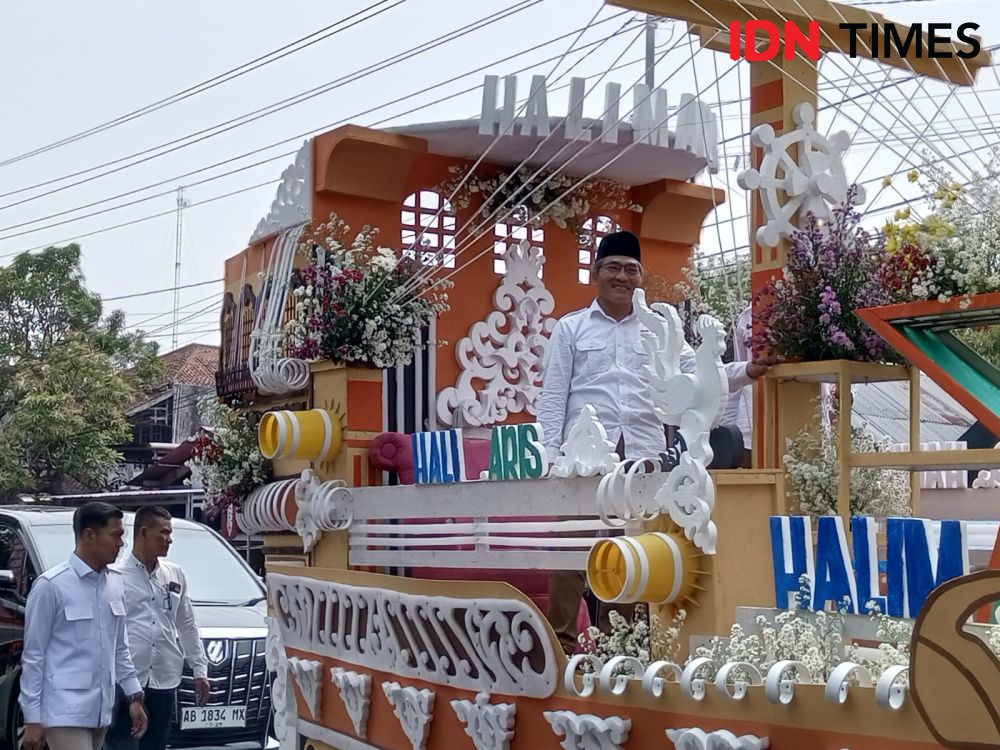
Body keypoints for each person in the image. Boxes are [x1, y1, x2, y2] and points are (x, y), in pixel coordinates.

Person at [537, 230, 770, 654]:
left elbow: (698, 374)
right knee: (572, 551)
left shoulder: (658, 329)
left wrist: (746, 372)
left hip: (642, 456)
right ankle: (561, 648)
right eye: (613, 268)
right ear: (596, 274)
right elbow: (553, 397)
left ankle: (619, 651)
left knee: (630, 550)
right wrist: (551, 458)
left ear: (641, 276)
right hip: (582, 455)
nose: (622, 277)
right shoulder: (571, 329)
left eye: (631, 269)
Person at [21, 502, 147, 750]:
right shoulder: (51, 586)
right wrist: (32, 717)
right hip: (62, 709)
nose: (121, 544)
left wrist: (134, 695)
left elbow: (119, 647)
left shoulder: (114, 583)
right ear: (89, 535)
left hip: (100, 708)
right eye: (116, 535)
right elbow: (34, 656)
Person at [105, 505, 209, 750]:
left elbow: (186, 624)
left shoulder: (175, 575)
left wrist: (199, 669)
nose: (169, 539)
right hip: (125, 679)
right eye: (163, 533)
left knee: (156, 745)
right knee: (122, 745)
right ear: (143, 533)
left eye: (170, 533)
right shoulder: (114, 576)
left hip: (164, 678)